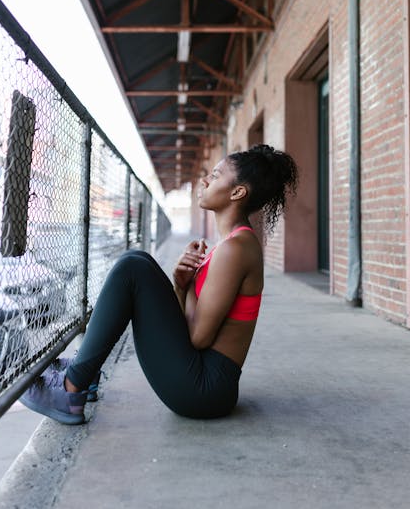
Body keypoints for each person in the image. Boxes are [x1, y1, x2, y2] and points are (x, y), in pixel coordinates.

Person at [20, 144, 298, 423]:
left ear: (237, 192)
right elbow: (186, 325)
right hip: (204, 380)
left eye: (215, 175)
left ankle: (71, 389)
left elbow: (197, 337)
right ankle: (84, 373)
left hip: (204, 390)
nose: (205, 181)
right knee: (139, 261)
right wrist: (180, 283)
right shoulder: (227, 245)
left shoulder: (236, 248)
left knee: (132, 268)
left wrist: (185, 287)